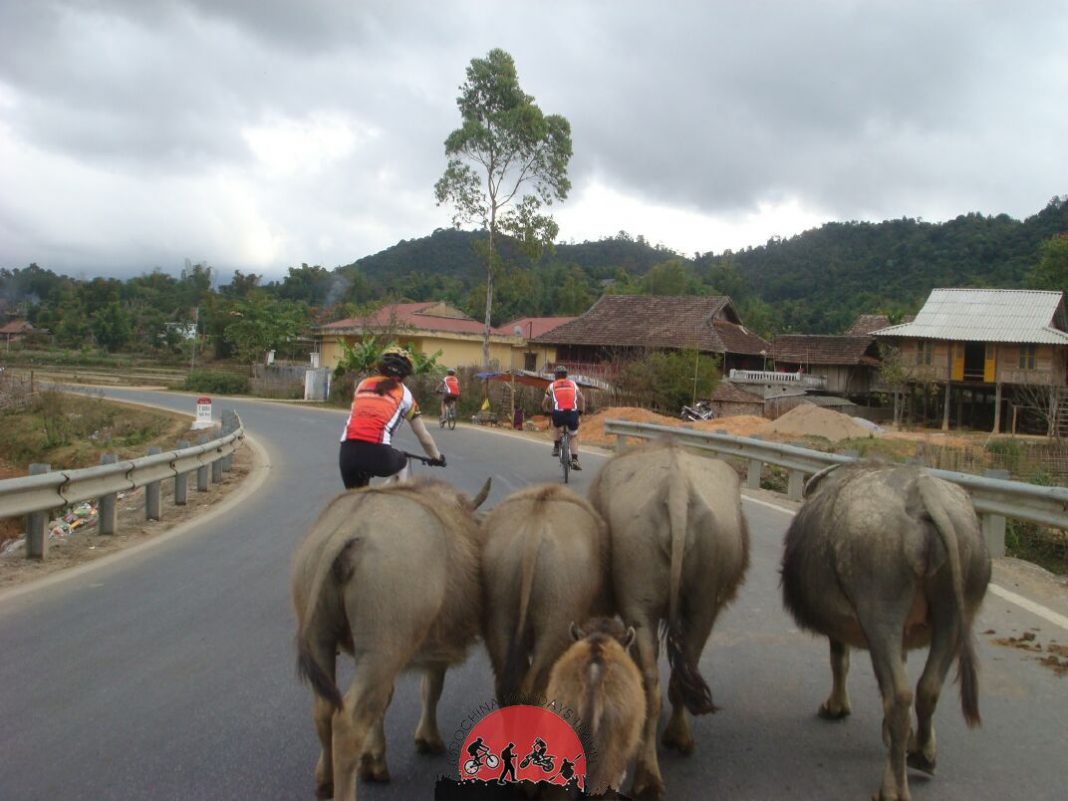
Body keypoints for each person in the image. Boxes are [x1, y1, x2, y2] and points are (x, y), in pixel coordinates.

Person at [338, 346, 445, 489]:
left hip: (347, 453)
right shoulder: (406, 395)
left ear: (380, 366)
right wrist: (437, 457)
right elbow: (424, 437)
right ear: (405, 374)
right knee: (403, 462)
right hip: (378, 453)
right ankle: (393, 501)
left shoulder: (362, 385)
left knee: (352, 500)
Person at [542, 365, 585, 470]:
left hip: (559, 413)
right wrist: (581, 412)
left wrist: (545, 410)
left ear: (555, 376)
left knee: (556, 425)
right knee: (573, 436)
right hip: (572, 413)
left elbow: (545, 402)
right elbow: (582, 399)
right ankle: (575, 459)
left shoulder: (552, 385)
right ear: (566, 376)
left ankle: (556, 447)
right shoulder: (573, 384)